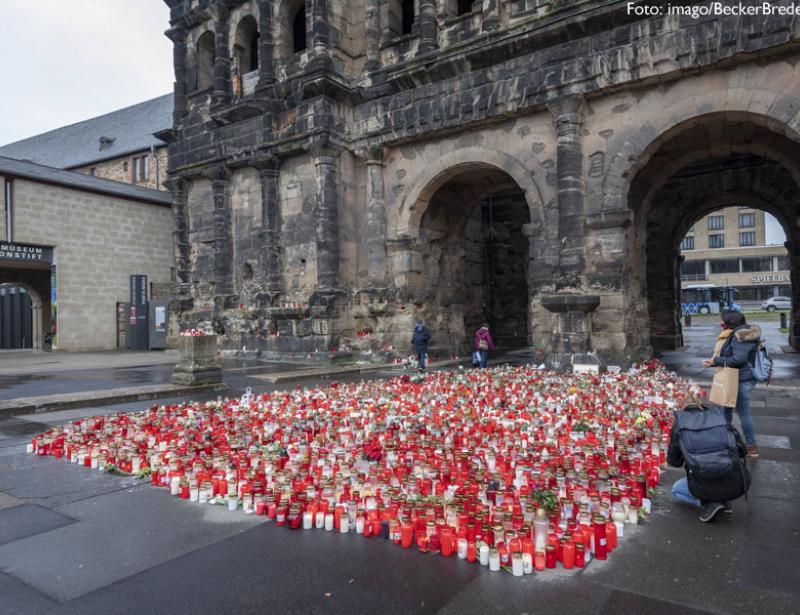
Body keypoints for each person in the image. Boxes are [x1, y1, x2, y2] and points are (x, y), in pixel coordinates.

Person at [667, 391, 750, 522]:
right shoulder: (719, 418)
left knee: (676, 490)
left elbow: (674, 461)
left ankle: (710, 504)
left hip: (703, 487)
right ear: (701, 405)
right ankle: (724, 501)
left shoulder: (680, 425)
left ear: (681, 408)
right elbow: (743, 451)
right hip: (737, 484)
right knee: (722, 474)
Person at [702, 310, 761, 458]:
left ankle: (750, 446)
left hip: (739, 380)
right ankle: (726, 441)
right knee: (725, 410)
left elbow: (738, 359)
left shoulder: (740, 336)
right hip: (737, 379)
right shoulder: (742, 332)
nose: (722, 324)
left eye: (723, 322)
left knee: (742, 413)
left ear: (730, 322)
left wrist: (716, 361)